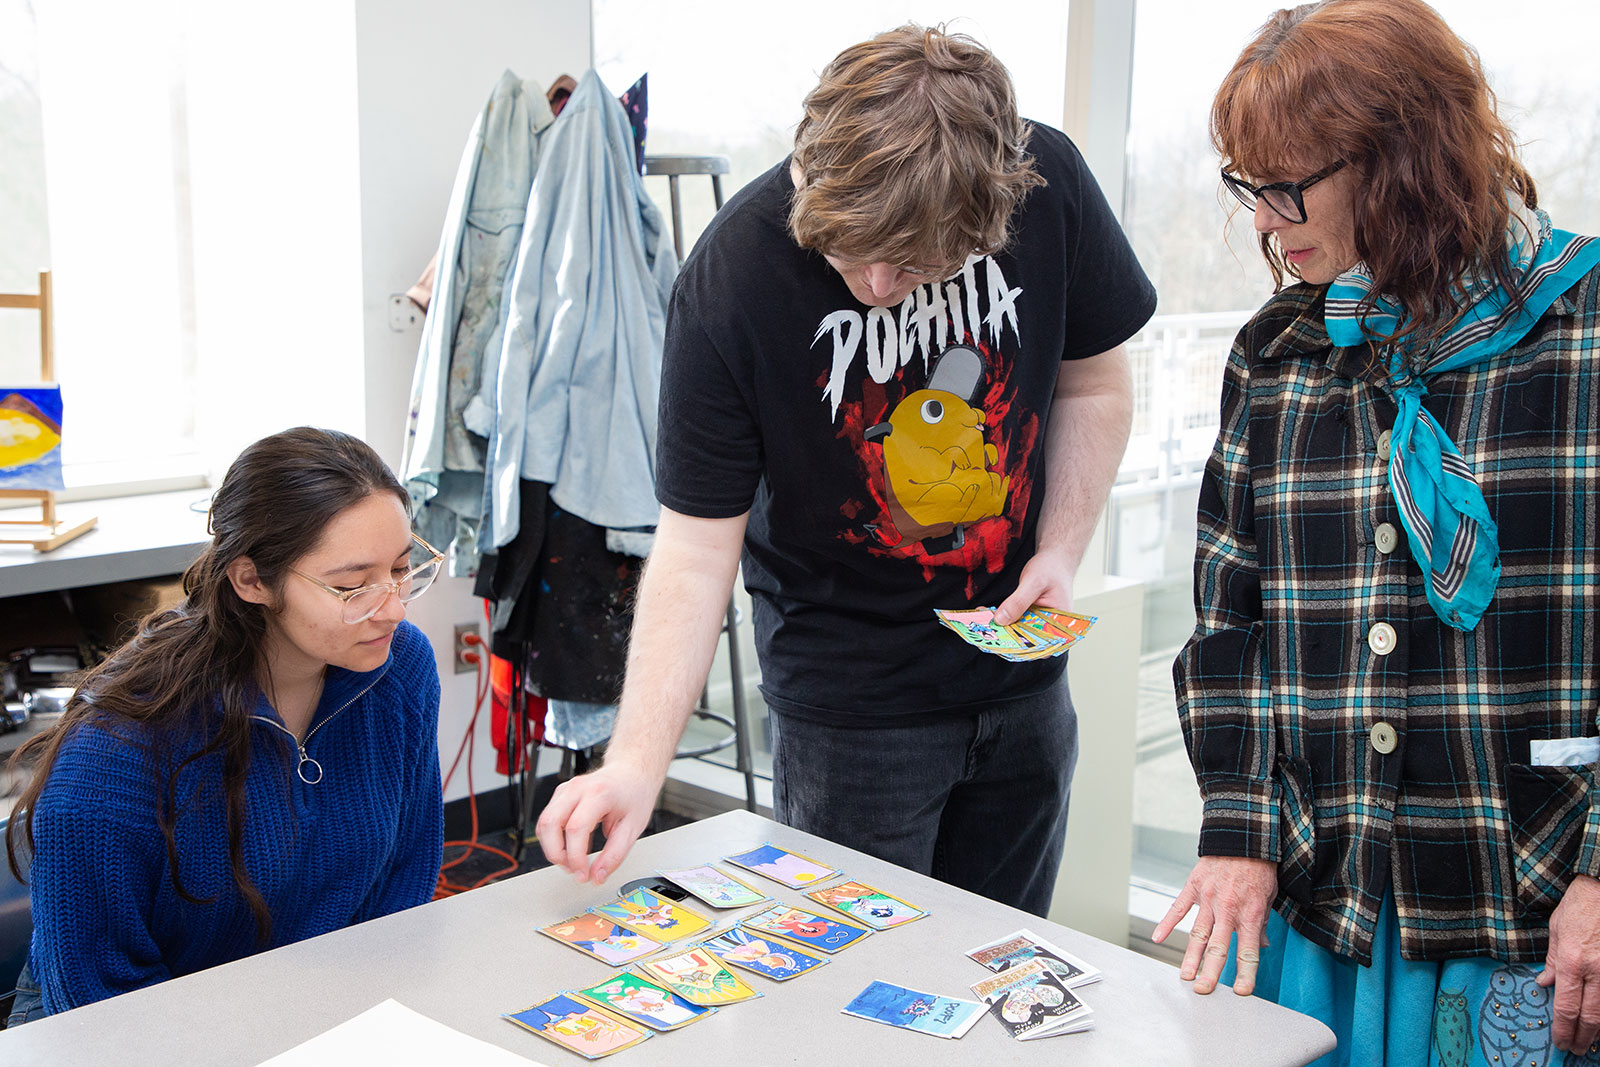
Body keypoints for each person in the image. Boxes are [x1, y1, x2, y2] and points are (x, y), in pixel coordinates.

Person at [537, 24, 1155, 917]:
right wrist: (635, 762)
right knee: (853, 1007)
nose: (871, 283)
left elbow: (1093, 381)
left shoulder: (1048, 187)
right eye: (845, 250)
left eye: (911, 265)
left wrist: (1060, 550)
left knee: (994, 984)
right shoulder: (731, 280)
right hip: (850, 713)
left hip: (1022, 688)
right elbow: (695, 547)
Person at [1153, 2, 1600, 1063]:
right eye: (1246, 186)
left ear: (1400, 157)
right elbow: (1231, 621)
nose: (1263, 220)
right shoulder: (1276, 356)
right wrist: (1239, 828)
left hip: (1530, 897)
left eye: (1284, 184)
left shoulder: (1584, 335)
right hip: (1329, 900)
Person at [4, 427, 446, 1022]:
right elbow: (97, 1005)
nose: (391, 606)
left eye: (400, 569)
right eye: (351, 587)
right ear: (251, 581)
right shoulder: (116, 753)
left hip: (314, 1010)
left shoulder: (400, 668)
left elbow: (404, 885)